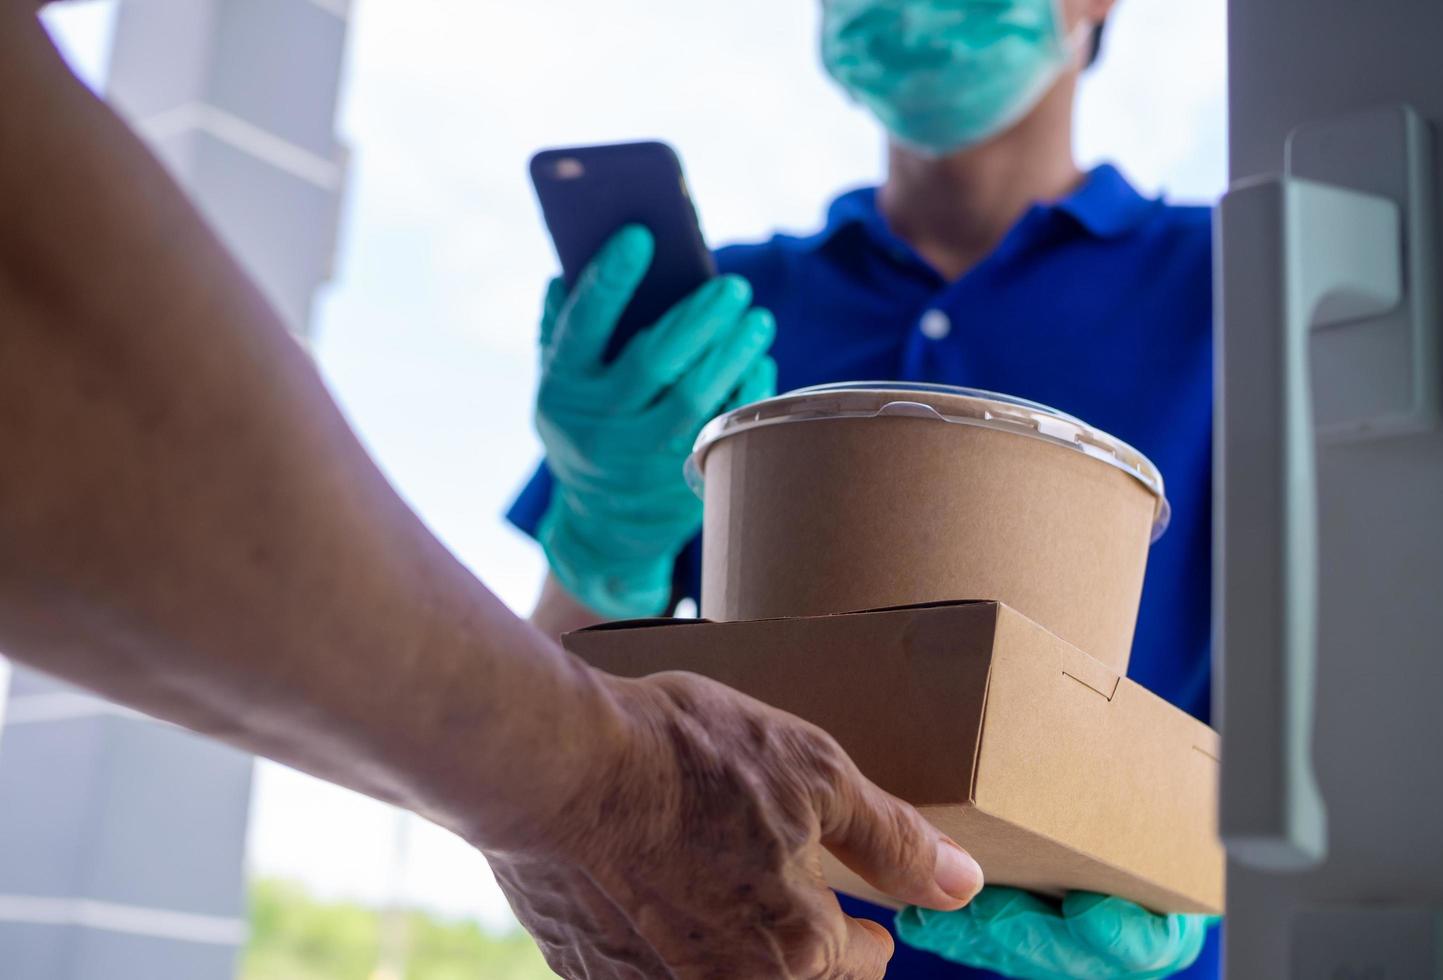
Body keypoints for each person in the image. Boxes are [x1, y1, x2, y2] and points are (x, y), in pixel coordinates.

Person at [0, 5, 987, 979]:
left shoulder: (1153, 286)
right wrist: (605, 537)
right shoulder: (730, 308)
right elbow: (578, 664)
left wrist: (593, 785)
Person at [510, 0, 1222, 976]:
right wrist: (604, 532)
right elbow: (554, 721)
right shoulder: (728, 315)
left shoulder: (1232, 286)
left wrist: (1211, 867)